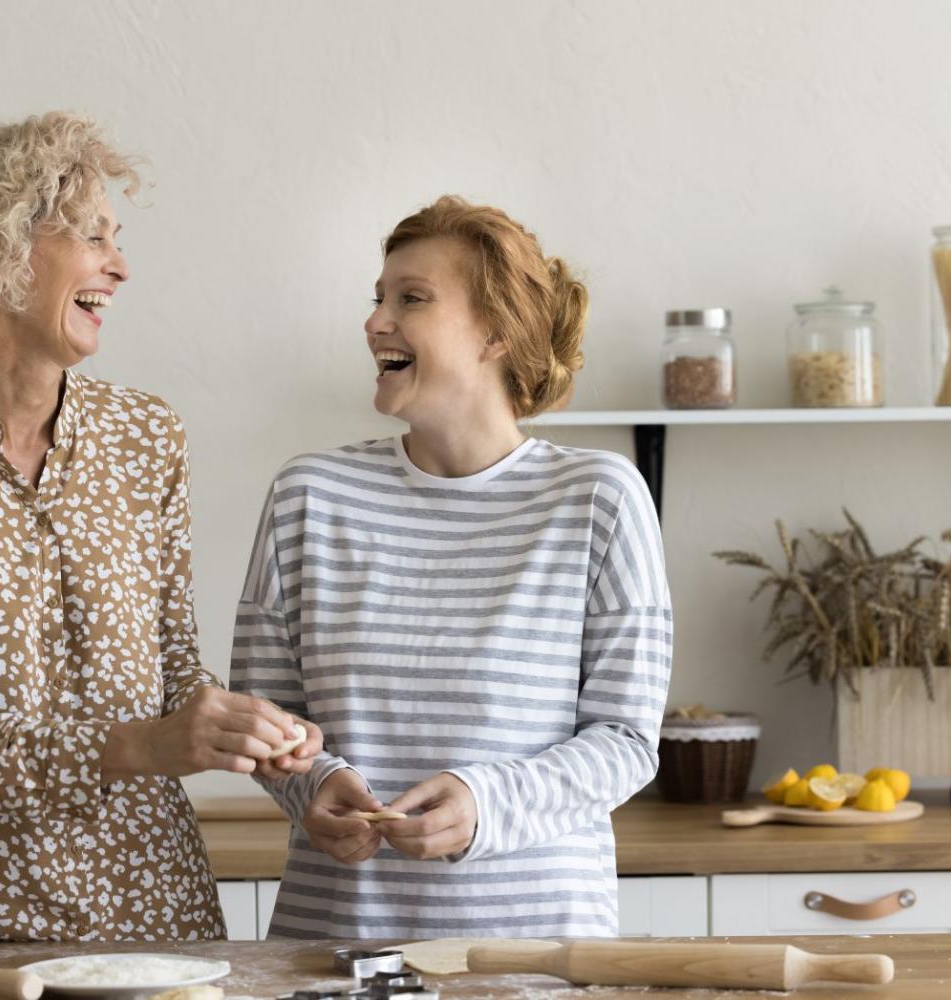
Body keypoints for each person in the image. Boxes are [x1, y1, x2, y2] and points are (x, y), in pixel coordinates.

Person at [0, 112, 320, 942]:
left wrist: (232, 726)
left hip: (143, 903)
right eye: (93, 236)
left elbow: (171, 666)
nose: (120, 267)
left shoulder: (145, 435)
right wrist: (145, 745)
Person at [231, 196, 672, 938]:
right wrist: (316, 783)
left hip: (537, 962)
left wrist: (485, 805)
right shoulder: (309, 496)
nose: (375, 322)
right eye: (379, 298)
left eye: (413, 299)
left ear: (496, 333)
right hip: (337, 950)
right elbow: (266, 714)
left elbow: (626, 742)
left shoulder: (599, 498)